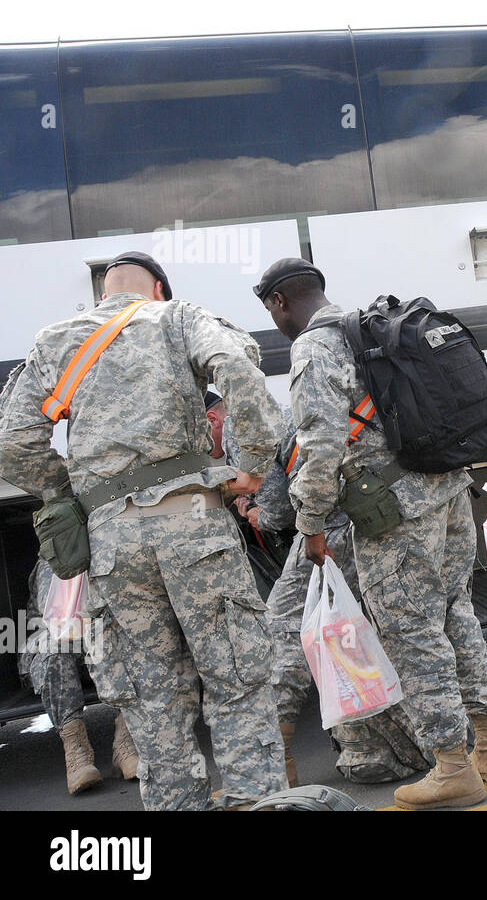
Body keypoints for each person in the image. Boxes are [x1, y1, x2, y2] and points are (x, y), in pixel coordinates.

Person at [0, 250, 288, 810]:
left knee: (152, 698)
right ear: (158, 288)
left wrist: (68, 488)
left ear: (102, 295)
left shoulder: (54, 341)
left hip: (112, 542)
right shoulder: (179, 318)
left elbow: (12, 443)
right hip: (193, 525)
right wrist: (251, 463)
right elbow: (239, 368)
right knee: (236, 682)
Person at [256, 257, 487, 809]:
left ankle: (452, 767)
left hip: (393, 515)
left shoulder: (314, 348)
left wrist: (312, 524)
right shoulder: (369, 332)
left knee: (413, 634)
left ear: (279, 303)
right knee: (455, 615)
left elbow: (319, 448)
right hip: (446, 491)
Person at [252, 405, 430, 786]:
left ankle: (278, 762)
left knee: (287, 632)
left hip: (325, 536)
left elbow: (281, 510)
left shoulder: (263, 423)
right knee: (379, 636)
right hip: (385, 523)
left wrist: (259, 516)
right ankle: (427, 743)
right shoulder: (367, 397)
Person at [21, 559, 140, 794]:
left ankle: (126, 740)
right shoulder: (53, 561)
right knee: (55, 648)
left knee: (130, 635)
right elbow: (61, 622)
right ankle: (76, 750)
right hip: (57, 639)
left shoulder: (107, 547)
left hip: (96, 641)